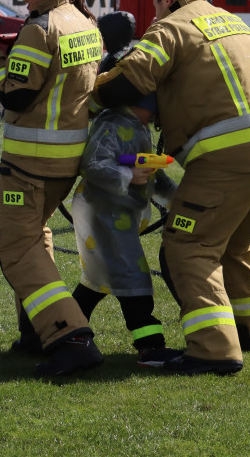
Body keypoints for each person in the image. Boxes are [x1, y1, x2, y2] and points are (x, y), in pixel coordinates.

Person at [93, 0, 250, 375]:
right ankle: (249, 332)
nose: (154, 15)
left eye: (155, 7)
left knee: (189, 245)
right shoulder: (233, 21)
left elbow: (127, 81)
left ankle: (213, 350)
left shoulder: (170, 28)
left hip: (228, 156)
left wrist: (89, 91)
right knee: (235, 244)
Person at [0, 0, 104, 377]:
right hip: (65, 162)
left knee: (16, 249)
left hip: (30, 164)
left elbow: (18, 93)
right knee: (34, 238)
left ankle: (72, 338)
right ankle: (36, 333)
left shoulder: (41, 27)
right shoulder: (84, 20)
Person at [70, 94, 178, 364]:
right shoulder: (114, 123)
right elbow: (92, 164)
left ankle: (62, 332)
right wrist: (128, 175)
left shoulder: (136, 125)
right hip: (102, 213)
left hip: (115, 214)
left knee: (99, 280)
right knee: (132, 274)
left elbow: (154, 175)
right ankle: (150, 347)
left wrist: (180, 201)